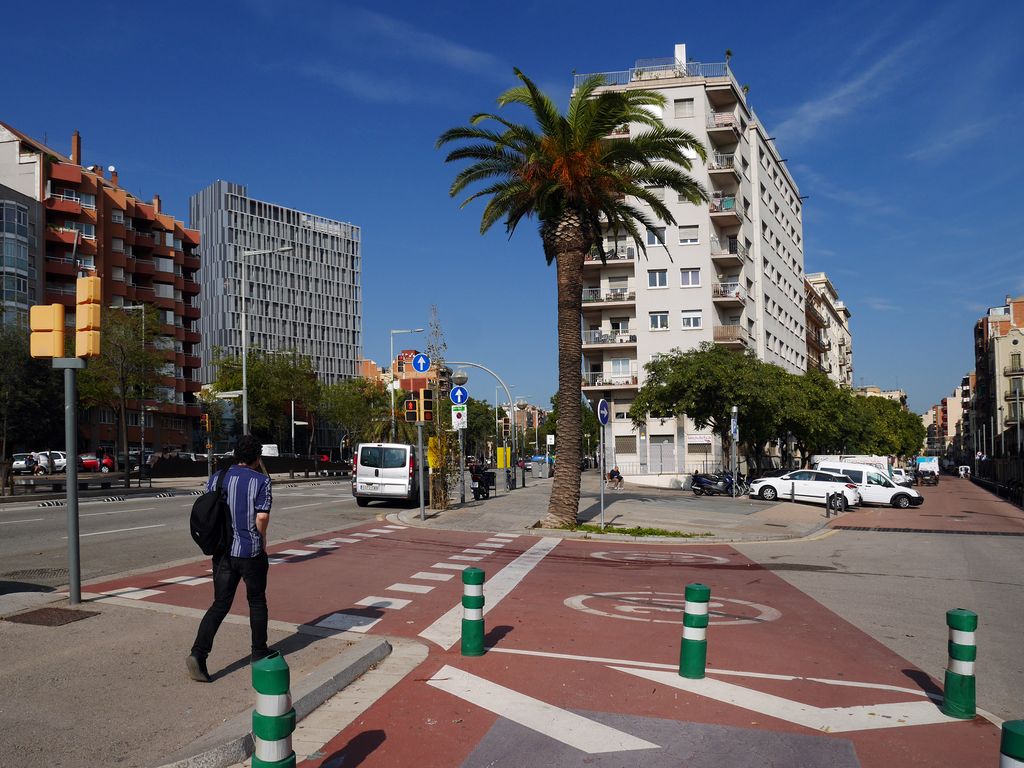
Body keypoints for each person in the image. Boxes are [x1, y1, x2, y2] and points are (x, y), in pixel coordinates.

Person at [187, 434, 273, 683]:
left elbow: (209, 508)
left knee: (220, 604)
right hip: (250, 552)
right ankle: (258, 652)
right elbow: (262, 517)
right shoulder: (261, 481)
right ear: (257, 458)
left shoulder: (217, 477)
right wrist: (262, 537)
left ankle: (198, 653)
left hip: (222, 552)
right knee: (256, 601)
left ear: (236, 455)